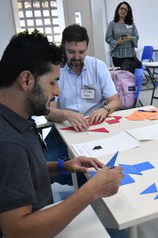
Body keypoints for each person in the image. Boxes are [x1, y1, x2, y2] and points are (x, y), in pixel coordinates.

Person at [0, 30, 129, 238]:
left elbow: (20, 173)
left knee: (92, 212)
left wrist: (62, 165)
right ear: (26, 80)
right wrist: (91, 190)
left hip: (26, 215)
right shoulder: (3, 143)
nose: (57, 91)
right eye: (52, 82)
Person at [44, 24, 121, 186]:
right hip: (63, 129)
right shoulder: (56, 69)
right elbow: (48, 111)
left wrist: (105, 109)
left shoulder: (98, 66)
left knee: (114, 160)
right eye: (71, 52)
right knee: (48, 165)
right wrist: (66, 114)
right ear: (63, 48)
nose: (77, 57)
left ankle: (92, 186)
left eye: (81, 52)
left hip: (95, 127)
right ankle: (86, 189)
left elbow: (115, 101)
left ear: (87, 48)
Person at [105, 1, 140, 68]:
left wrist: (131, 38)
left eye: (125, 10)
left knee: (130, 77)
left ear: (127, 12)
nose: (123, 11)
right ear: (118, 10)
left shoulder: (131, 23)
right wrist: (117, 42)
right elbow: (108, 38)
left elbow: (136, 36)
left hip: (130, 55)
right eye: (121, 8)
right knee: (120, 77)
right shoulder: (112, 24)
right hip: (117, 56)